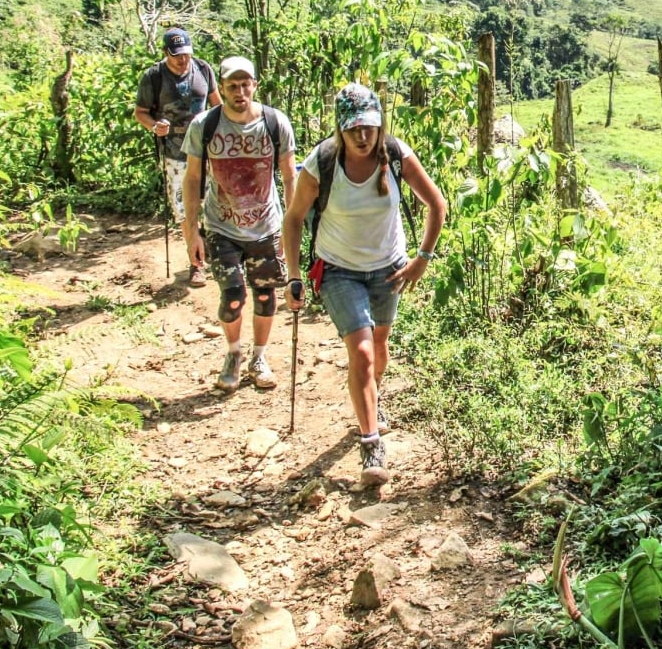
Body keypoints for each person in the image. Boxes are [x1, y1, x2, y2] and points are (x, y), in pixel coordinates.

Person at [284, 83, 446, 487]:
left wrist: (421, 260)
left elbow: (436, 204)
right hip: (338, 269)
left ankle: (370, 401)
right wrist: (293, 274)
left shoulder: (395, 154)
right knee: (360, 350)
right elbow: (293, 219)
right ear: (340, 129)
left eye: (369, 128)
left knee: (378, 347)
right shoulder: (321, 162)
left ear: (379, 125)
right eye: (354, 129)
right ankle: (370, 441)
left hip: (387, 268)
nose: (362, 136)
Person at [182, 56, 297, 394]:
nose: (240, 91)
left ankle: (259, 358)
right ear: (222, 88)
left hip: (266, 226)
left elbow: (290, 177)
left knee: (265, 296)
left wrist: (290, 229)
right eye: (232, 85)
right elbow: (192, 178)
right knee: (232, 295)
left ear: (255, 85)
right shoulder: (205, 125)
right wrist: (192, 230)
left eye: (246, 84)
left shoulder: (275, 123)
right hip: (222, 226)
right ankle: (233, 354)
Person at [134, 27, 221, 287]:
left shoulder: (203, 69)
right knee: (185, 207)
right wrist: (153, 126)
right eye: (176, 56)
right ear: (165, 53)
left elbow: (216, 103)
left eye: (186, 54)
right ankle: (196, 264)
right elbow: (140, 112)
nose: (183, 60)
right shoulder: (153, 77)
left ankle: (214, 254)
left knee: (213, 202)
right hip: (175, 151)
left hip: (207, 149)